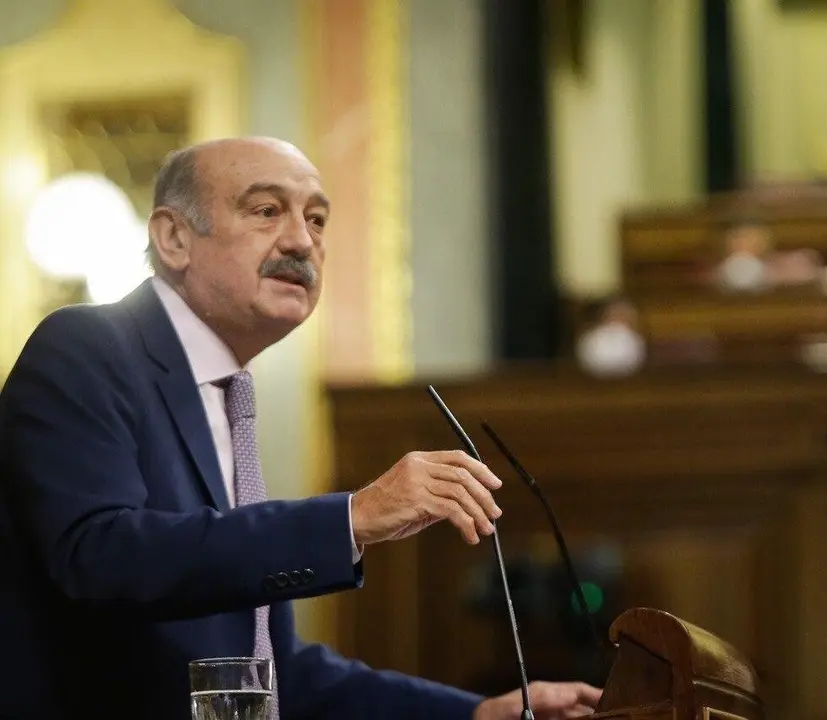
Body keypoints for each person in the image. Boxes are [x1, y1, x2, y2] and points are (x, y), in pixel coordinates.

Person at [0, 137, 601, 720]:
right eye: (266, 211)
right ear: (174, 236)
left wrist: (476, 712)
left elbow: (271, 671)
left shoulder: (224, 394)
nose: (301, 241)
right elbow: (98, 556)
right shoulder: (87, 349)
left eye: (317, 220)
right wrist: (351, 517)